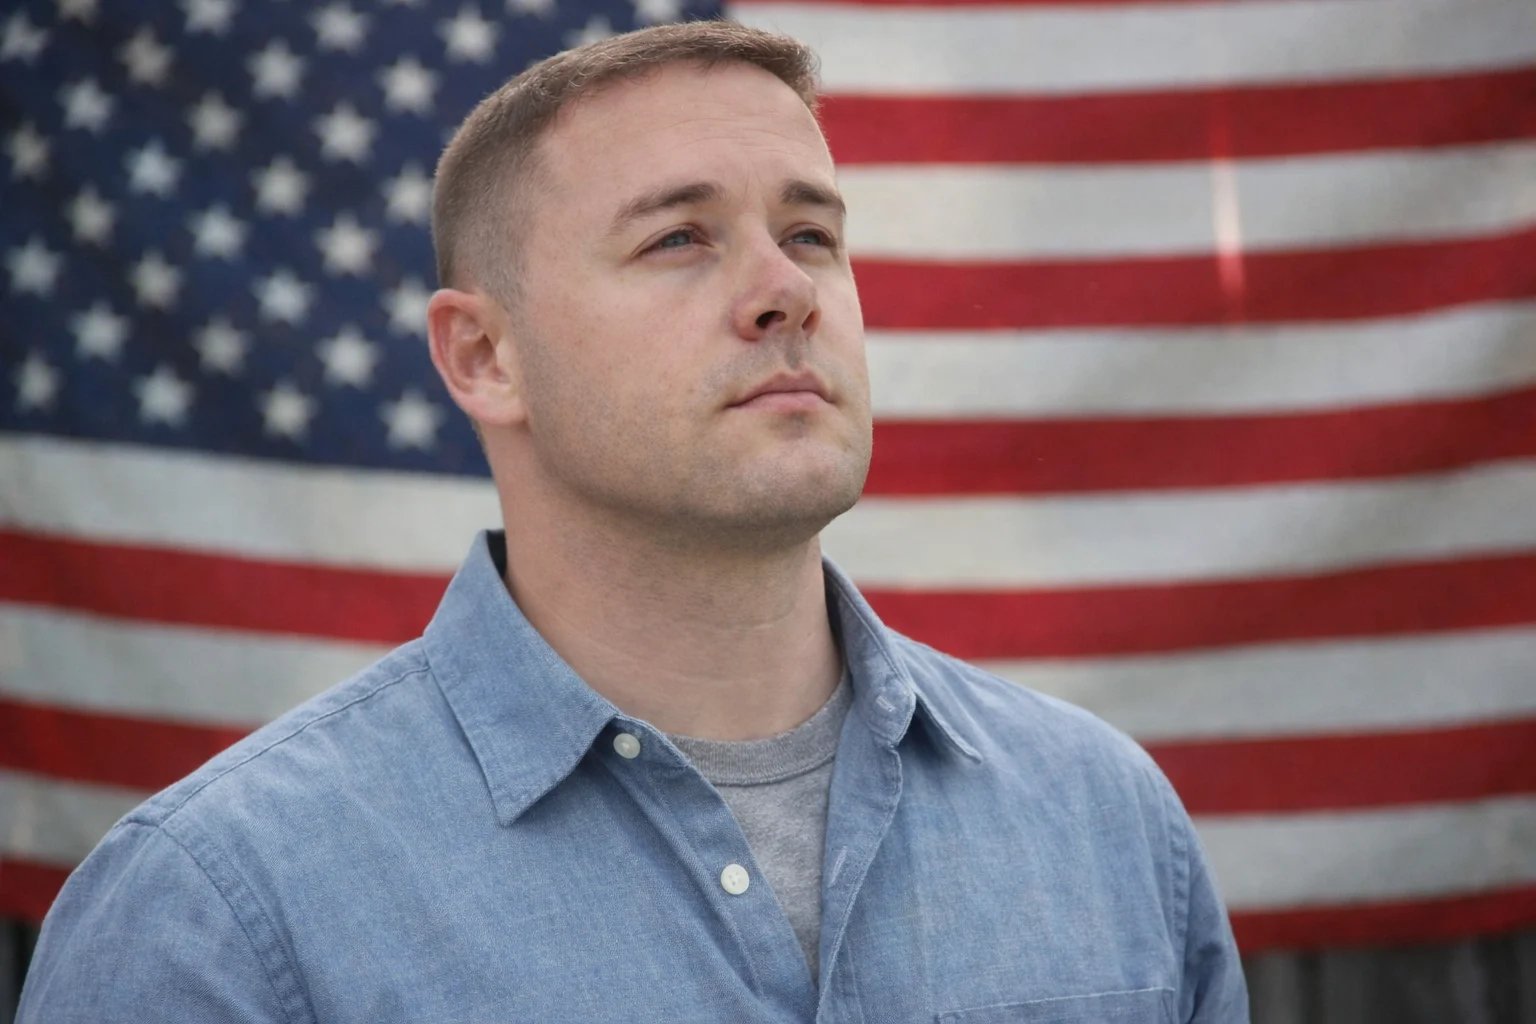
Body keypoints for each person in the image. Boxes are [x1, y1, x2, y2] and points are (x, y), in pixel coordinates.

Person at [19, 21, 1248, 1023]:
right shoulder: (219, 910)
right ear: (484, 355)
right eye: (678, 239)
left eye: (811, 234)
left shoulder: (1104, 821)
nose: (786, 291)